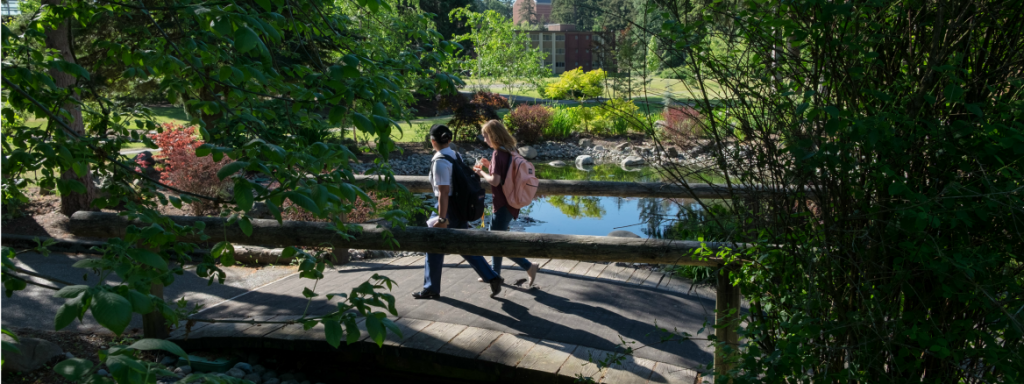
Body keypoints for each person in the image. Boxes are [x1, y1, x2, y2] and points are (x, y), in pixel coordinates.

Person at [414, 124, 504, 300]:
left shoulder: (440, 161)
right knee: (463, 245)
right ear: (449, 140)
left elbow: (443, 192)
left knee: (432, 244)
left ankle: (431, 287)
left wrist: (441, 218)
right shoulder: (455, 155)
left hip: (447, 209)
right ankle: (492, 276)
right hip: (460, 207)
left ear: (433, 141)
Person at [472, 120, 540, 286]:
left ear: (493, 136)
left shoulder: (497, 153)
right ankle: (494, 274)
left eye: (486, 136)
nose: (485, 139)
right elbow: (505, 175)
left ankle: (529, 266)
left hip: (503, 203)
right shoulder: (510, 150)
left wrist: (481, 172)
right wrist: (490, 166)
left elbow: (495, 181)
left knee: (495, 240)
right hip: (511, 202)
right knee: (496, 239)